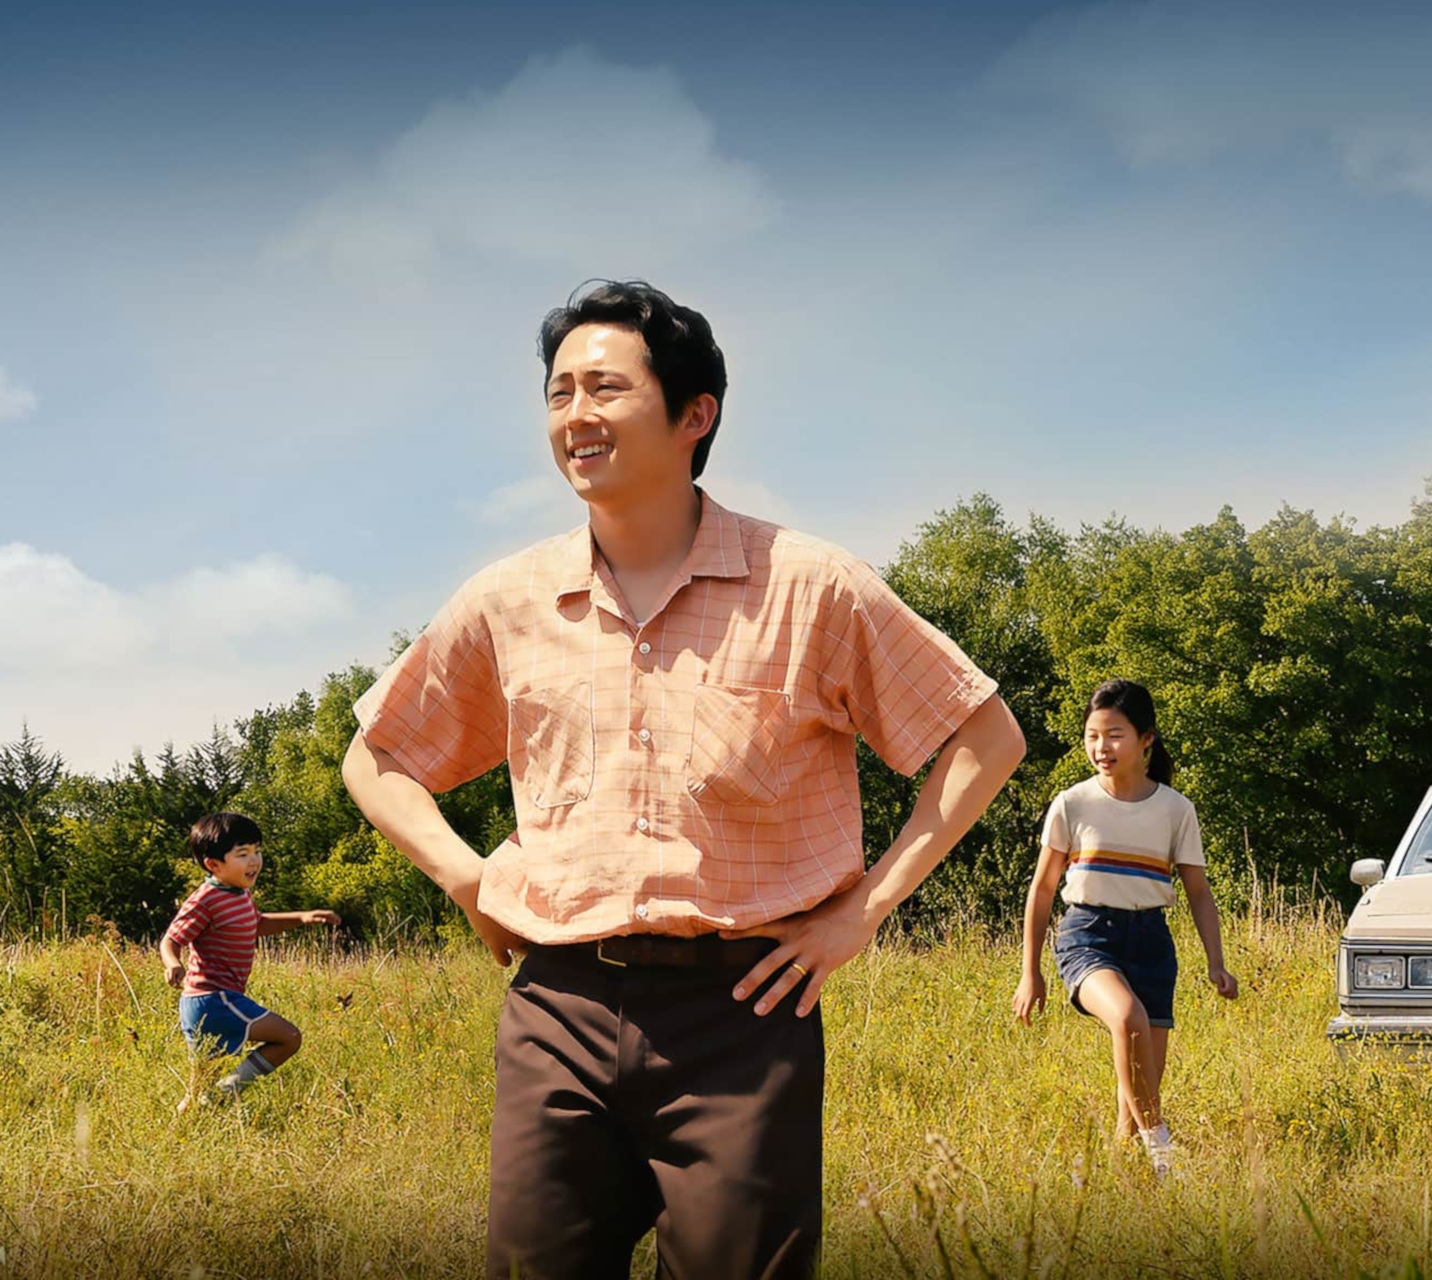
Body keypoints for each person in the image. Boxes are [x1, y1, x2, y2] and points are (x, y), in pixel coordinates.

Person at [341, 279, 1025, 1279]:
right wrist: (465, 874)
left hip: (744, 1011)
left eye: (606, 387)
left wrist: (866, 908)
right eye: (560, 391)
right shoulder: (509, 599)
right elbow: (379, 751)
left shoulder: (808, 584)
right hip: (558, 1003)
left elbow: (985, 735)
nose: (576, 413)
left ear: (693, 414)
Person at [1011, 679, 1237, 1177]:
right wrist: (1031, 972)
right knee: (1128, 1018)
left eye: (1114, 735)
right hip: (1089, 935)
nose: (1100, 748)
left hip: (1153, 942)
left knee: (1137, 1085)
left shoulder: (1176, 809)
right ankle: (1165, 1149)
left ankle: (1107, 1176)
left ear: (1146, 739)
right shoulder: (1072, 804)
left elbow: (1198, 891)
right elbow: (1043, 890)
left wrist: (1215, 962)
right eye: (1092, 736)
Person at [160, 812, 340, 1108]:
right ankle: (223, 1095)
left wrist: (303, 917)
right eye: (242, 854)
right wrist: (173, 964)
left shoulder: (238, 894)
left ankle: (186, 1126)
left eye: (257, 851)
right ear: (213, 864)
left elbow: (257, 924)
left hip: (212, 1001)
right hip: (213, 999)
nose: (254, 861)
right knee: (288, 1037)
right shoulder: (205, 899)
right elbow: (171, 939)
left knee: (196, 1093)